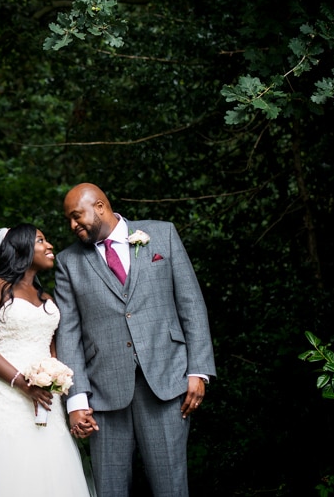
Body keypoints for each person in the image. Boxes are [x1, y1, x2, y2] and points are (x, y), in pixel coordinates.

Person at [55, 183, 215, 497]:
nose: (72, 225)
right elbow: (69, 333)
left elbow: (191, 303)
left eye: (76, 216)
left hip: (167, 385)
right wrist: (76, 401)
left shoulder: (162, 234)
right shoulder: (68, 262)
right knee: (109, 490)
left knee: (171, 487)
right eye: (68, 220)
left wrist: (198, 370)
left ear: (100, 206)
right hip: (103, 396)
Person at [0, 223, 95, 497]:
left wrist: (65, 392)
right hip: (4, 396)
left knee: (49, 467)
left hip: (45, 399)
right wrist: (23, 384)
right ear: (22, 248)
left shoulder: (48, 299)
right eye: (41, 240)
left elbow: (55, 354)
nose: (49, 245)